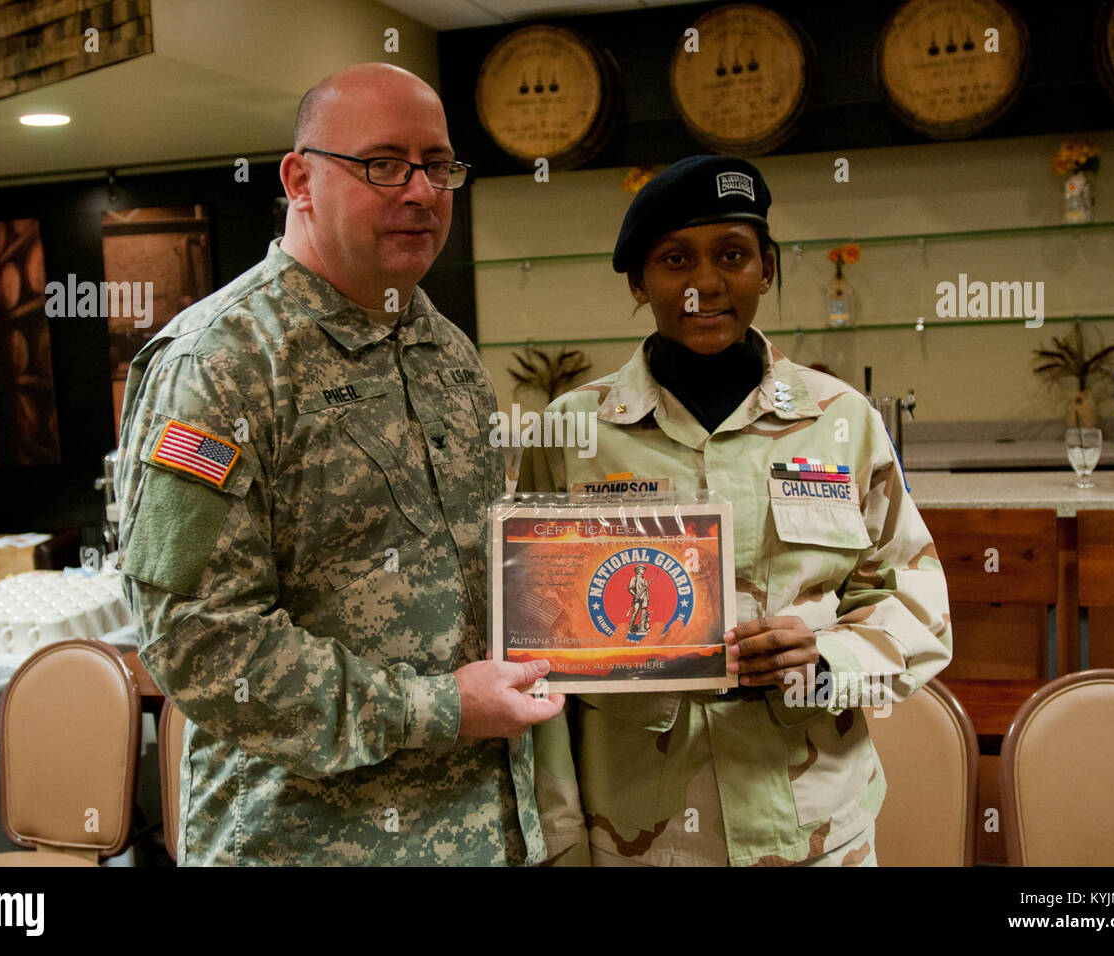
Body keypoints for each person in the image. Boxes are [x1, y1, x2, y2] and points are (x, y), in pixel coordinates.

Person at [115, 63, 563, 866]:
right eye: (384, 165)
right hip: (304, 842)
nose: (421, 192)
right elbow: (198, 642)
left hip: (482, 833)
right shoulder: (220, 363)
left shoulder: (449, 353)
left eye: (439, 165)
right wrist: (437, 711)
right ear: (300, 180)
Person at [517, 155, 952, 866]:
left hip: (815, 828)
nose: (705, 284)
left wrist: (831, 658)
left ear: (768, 269)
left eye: (732, 255)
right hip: (640, 832)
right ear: (637, 281)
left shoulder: (842, 421)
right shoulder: (574, 434)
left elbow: (915, 600)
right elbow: (534, 656)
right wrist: (560, 838)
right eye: (674, 259)